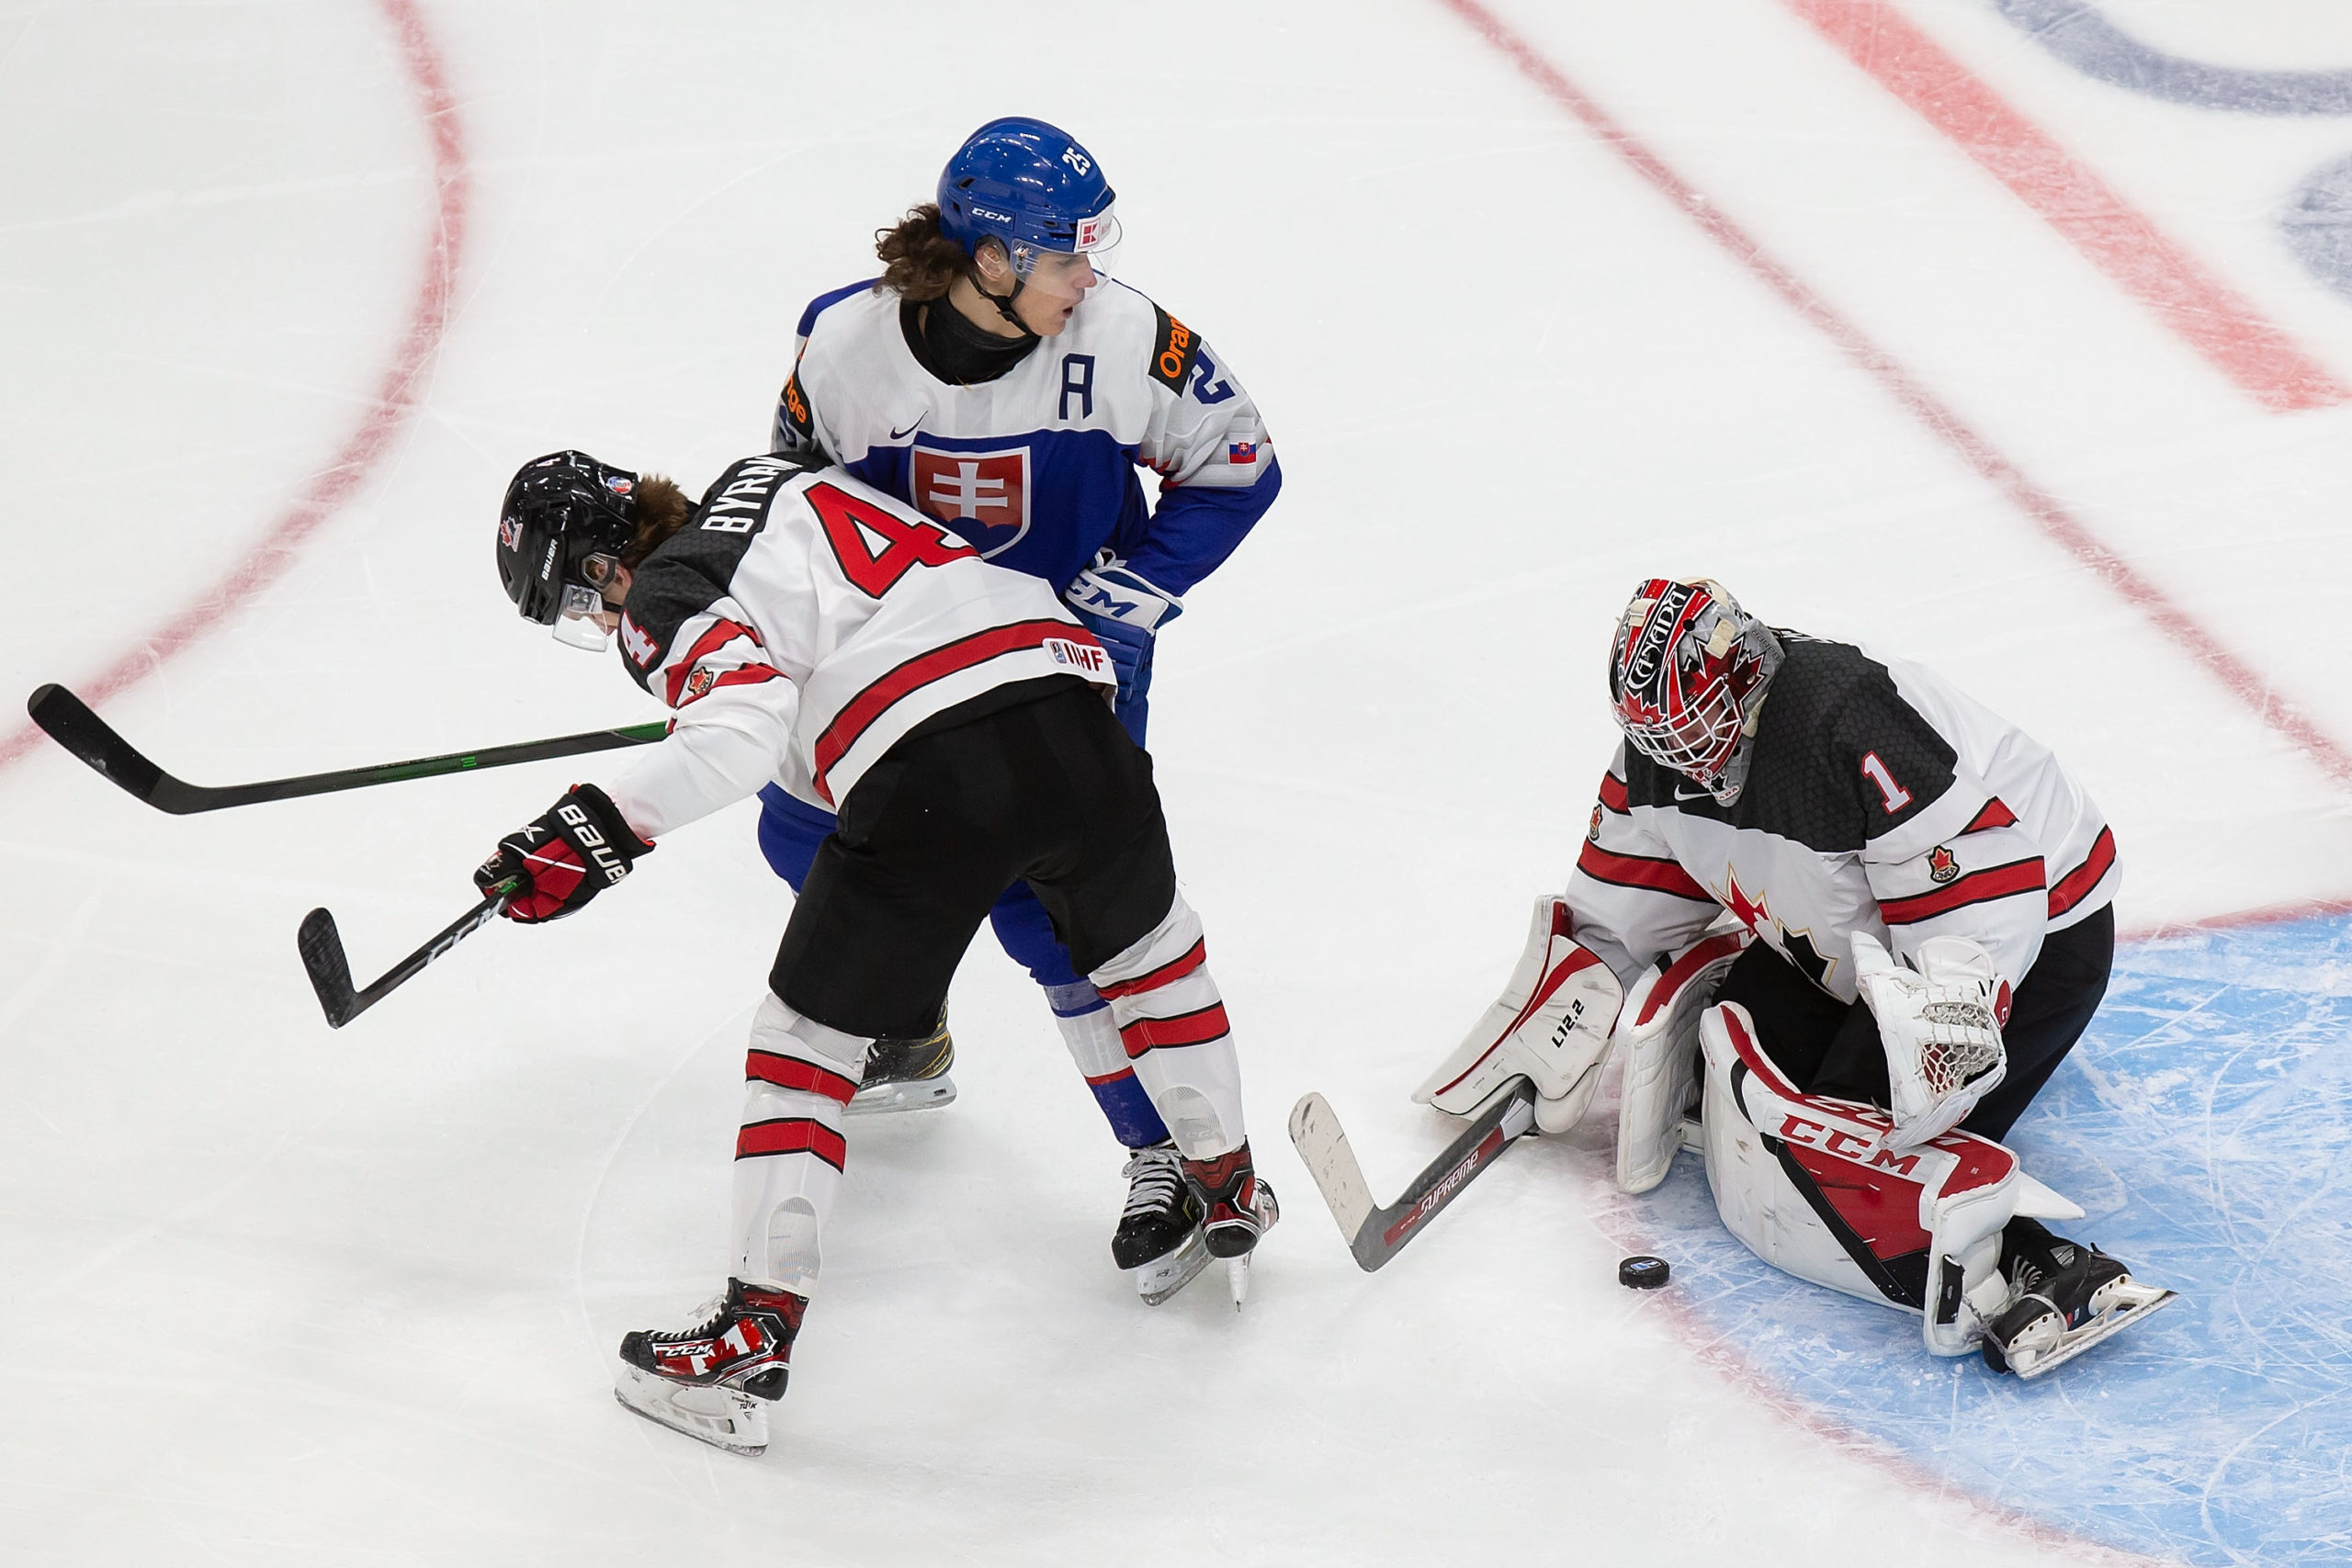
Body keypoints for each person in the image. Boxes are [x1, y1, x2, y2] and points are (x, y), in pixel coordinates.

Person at [475, 448, 1277, 1453]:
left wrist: (597, 830)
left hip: (936, 762)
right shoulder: (772, 479)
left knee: (801, 1051)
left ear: (601, 567)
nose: (598, 626)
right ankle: (1229, 1178)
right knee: (1153, 959)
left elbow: (740, 735)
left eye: (580, 605)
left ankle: (750, 1337)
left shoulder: (663, 594)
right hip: (1073, 705)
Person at [763, 116, 1281, 1303]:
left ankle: (1162, 1152)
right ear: (991, 260)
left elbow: (1240, 458)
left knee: (1062, 913)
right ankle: (910, 1019)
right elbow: (794, 502)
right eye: (1065, 258)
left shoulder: (1125, 334)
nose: (1088, 279)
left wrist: (1128, 592)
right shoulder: (841, 344)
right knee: (797, 830)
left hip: (1063, 666)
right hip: (903, 662)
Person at [1414, 578, 2171, 1377]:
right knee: (1737, 1055)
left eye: (1699, 728)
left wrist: (1946, 1017)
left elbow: (1984, 886)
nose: (1684, 759)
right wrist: (1560, 1018)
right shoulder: (1660, 748)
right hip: (1869, 939)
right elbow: (1620, 904)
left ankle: (2040, 1263)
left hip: (2037, 930)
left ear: (1747, 676)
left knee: (1838, 1143)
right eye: (1661, 736)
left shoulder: (1846, 722)